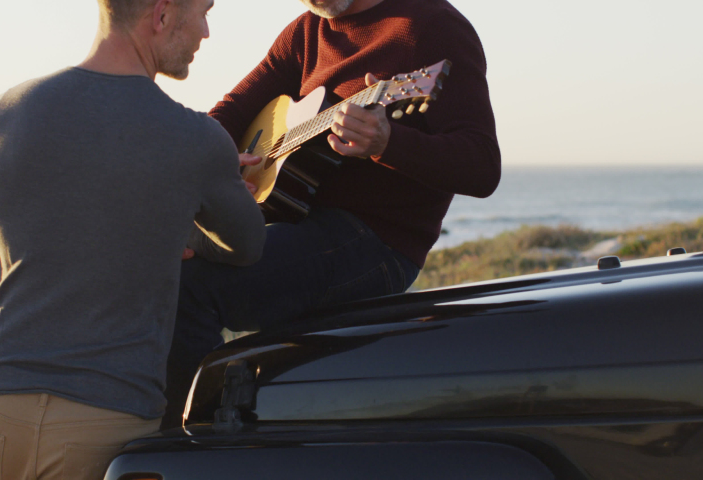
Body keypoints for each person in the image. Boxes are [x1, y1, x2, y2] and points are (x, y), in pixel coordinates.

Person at [0, 0, 265, 478]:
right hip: (104, 417)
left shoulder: (3, 113)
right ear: (161, 16)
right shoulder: (195, 138)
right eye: (203, 11)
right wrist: (181, 231)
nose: (206, 31)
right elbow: (246, 248)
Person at [163, 0, 501, 426]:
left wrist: (388, 142)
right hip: (294, 223)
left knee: (188, 287)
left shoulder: (431, 26)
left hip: (377, 244)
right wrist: (217, 165)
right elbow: (230, 112)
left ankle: (194, 444)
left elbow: (483, 166)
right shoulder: (305, 33)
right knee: (166, 261)